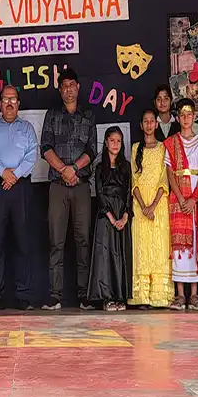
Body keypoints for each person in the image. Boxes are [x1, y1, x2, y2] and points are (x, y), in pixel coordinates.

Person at [41, 68, 97, 310]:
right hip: (58, 186)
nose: (68, 89)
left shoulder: (88, 115)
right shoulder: (52, 114)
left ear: (78, 87)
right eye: (64, 86)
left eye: (72, 84)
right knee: (56, 241)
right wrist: (64, 170)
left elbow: (92, 150)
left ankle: (84, 295)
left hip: (82, 186)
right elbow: (45, 148)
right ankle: (55, 296)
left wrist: (74, 169)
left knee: (83, 240)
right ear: (60, 89)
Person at [0, 86, 39, 311]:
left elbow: (32, 155)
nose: (9, 103)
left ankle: (23, 294)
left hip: (21, 187)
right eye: (5, 99)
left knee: (23, 241)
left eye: (13, 99)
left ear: (18, 103)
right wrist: (4, 172)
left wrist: (14, 176)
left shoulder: (27, 128)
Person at [165, 98, 198, 310]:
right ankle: (180, 294)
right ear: (177, 118)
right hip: (177, 197)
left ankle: (194, 294)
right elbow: (169, 173)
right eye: (182, 115)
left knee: (195, 240)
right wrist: (181, 199)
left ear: (194, 116)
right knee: (178, 244)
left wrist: (193, 197)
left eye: (189, 114)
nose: (185, 118)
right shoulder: (171, 142)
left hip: (194, 196)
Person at [129, 109, 173, 309]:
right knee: (142, 247)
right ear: (141, 125)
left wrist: (153, 205)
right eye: (145, 121)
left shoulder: (164, 147)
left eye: (151, 121)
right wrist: (143, 206)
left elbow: (165, 179)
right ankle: (142, 296)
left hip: (159, 203)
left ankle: (160, 296)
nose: (148, 124)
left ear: (156, 124)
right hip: (140, 204)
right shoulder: (135, 148)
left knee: (159, 247)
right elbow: (134, 180)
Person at [86, 127, 132, 311]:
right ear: (106, 143)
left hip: (122, 213)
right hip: (106, 216)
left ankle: (120, 296)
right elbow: (99, 194)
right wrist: (112, 218)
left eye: (118, 141)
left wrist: (125, 216)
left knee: (120, 255)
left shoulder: (126, 166)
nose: (115, 144)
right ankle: (106, 298)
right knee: (106, 256)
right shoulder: (99, 168)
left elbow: (128, 192)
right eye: (112, 140)